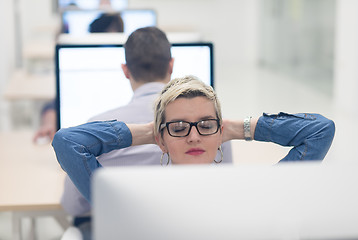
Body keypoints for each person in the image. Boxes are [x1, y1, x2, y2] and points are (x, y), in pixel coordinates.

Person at [55, 27, 233, 238]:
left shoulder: (95, 134)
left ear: (125, 70)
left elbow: (74, 206)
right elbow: (224, 190)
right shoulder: (208, 129)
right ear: (172, 65)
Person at [52, 75, 336, 205]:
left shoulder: (253, 195)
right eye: (178, 128)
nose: (193, 137)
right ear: (159, 139)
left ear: (220, 132)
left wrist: (239, 129)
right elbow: (68, 142)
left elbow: (320, 131)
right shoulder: (131, 200)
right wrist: (150, 133)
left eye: (205, 125)